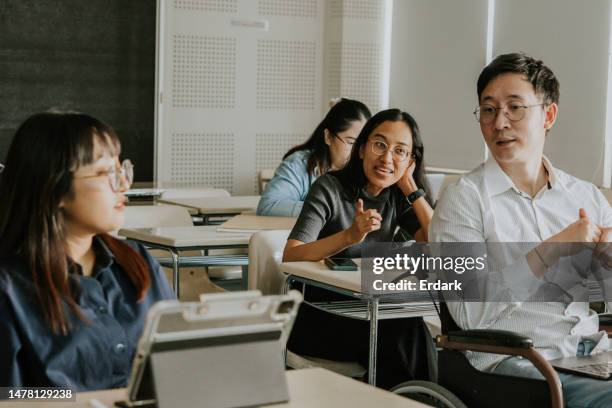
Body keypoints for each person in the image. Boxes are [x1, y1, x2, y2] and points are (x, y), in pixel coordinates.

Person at [429, 53, 612, 407]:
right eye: (488, 110)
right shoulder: (463, 200)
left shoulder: (585, 196)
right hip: (515, 362)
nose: (500, 122)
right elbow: (470, 313)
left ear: (549, 115)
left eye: (515, 108)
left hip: (589, 354)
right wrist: (550, 251)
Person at [0, 112, 175, 390]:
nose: (124, 185)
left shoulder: (137, 261)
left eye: (122, 170)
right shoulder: (9, 289)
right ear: (55, 188)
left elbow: (177, 364)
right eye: (107, 173)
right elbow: (9, 398)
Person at [283, 108, 435, 388]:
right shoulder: (329, 187)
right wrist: (350, 236)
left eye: (400, 151)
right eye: (380, 145)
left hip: (374, 311)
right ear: (362, 148)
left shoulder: (399, 195)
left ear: (411, 160)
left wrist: (411, 187)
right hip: (321, 315)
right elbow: (291, 253)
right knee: (403, 331)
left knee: (411, 327)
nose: (387, 158)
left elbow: (440, 243)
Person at [257, 98, 371, 217]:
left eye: (364, 145)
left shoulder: (372, 168)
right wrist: (327, 208)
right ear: (328, 137)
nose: (359, 152)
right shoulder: (300, 164)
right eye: (351, 143)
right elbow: (268, 206)